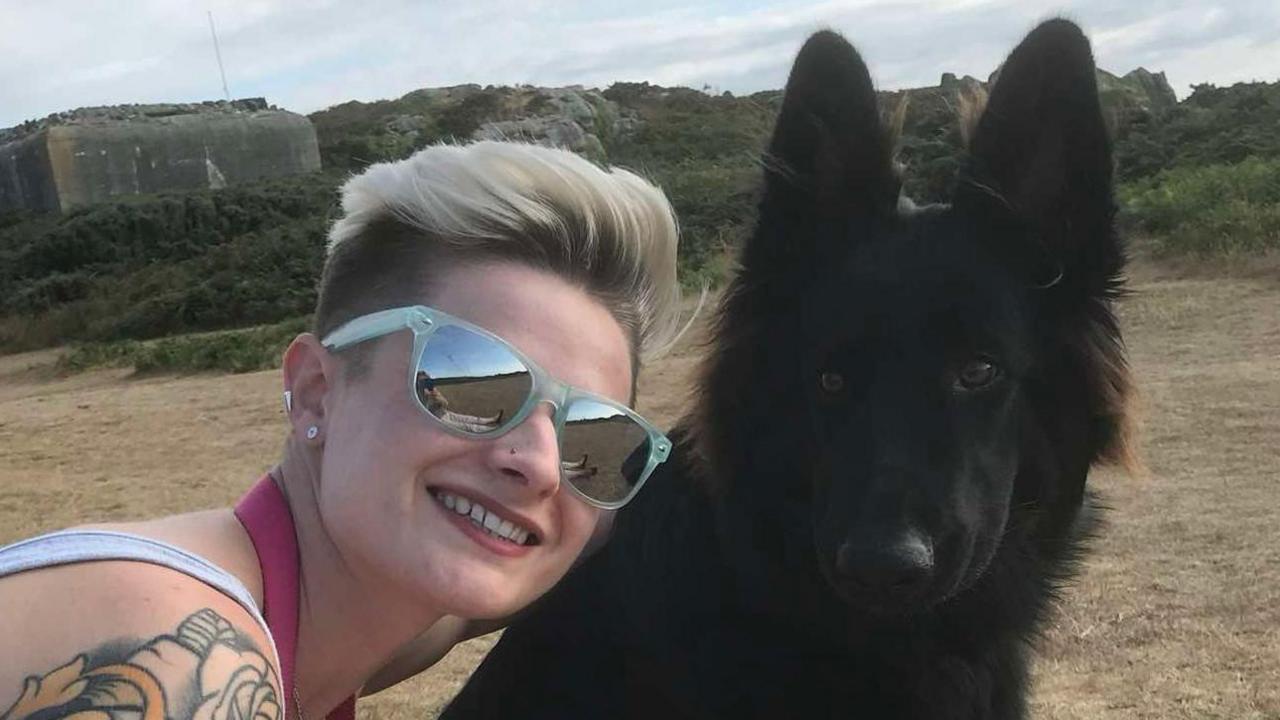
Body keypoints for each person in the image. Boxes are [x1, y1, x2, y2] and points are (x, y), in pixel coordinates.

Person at [0, 141, 686, 720]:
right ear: (315, 393)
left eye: (595, 437)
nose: (539, 462)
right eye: (474, 381)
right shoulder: (178, 653)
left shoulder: (348, 622)